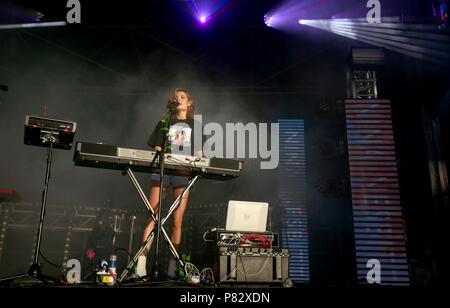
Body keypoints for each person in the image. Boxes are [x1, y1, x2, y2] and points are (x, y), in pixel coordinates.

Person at [136, 88, 203, 279]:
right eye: (176, 97)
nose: (179, 99)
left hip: (183, 172)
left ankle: (173, 267)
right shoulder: (164, 121)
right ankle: (141, 265)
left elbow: (199, 154)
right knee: (153, 214)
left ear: (189, 103)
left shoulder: (195, 126)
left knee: (177, 220)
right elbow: (157, 149)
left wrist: (199, 159)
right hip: (162, 171)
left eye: (183, 97)